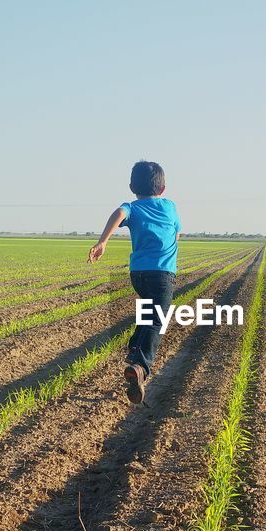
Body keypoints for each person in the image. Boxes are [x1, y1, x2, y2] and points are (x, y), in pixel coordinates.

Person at [87, 160, 181, 403]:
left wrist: (103, 241)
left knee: (147, 312)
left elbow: (119, 213)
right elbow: (177, 234)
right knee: (157, 320)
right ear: (163, 188)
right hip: (162, 273)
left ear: (131, 186)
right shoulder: (170, 207)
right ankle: (140, 365)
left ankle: (133, 350)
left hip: (138, 274)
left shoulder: (133, 207)